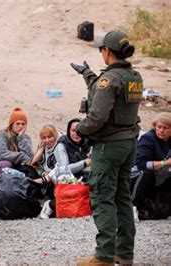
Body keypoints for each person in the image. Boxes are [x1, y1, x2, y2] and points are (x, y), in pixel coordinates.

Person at [72, 30, 142, 266]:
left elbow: (97, 116)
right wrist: (87, 73)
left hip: (108, 146)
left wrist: (80, 130)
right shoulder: (134, 76)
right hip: (129, 143)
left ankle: (103, 256)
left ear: (107, 51)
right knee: (123, 198)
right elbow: (109, 89)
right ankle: (124, 253)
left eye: (102, 50)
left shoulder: (109, 79)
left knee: (103, 197)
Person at [132, 112, 171, 220]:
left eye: (165, 128)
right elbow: (140, 164)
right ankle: (133, 205)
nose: (161, 130)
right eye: (159, 127)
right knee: (147, 172)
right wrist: (165, 163)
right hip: (137, 176)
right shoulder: (148, 139)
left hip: (161, 176)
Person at [0, 107, 33, 183]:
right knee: (6, 164)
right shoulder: (1, 135)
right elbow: (2, 154)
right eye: (18, 124)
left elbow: (30, 157)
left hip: (17, 169)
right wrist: (21, 157)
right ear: (12, 124)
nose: (20, 126)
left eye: (23, 124)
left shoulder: (25, 138)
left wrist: (21, 139)